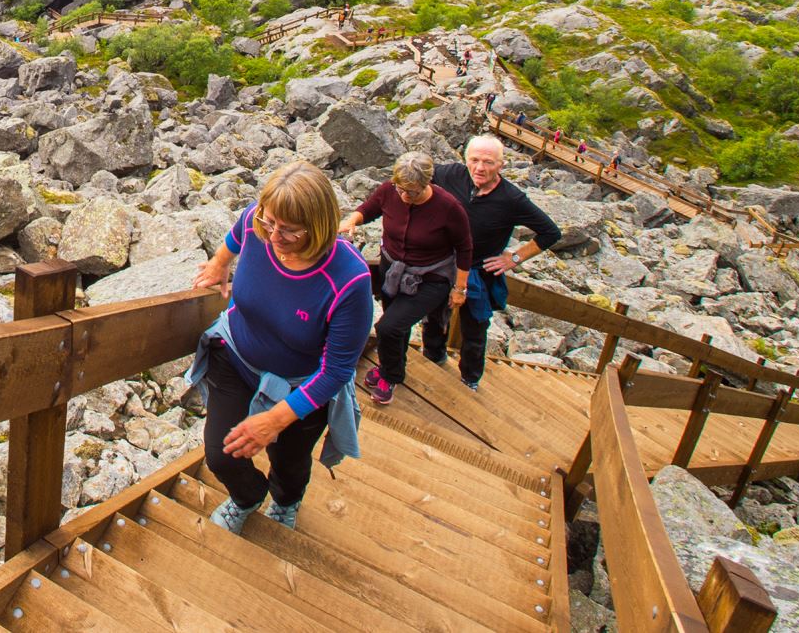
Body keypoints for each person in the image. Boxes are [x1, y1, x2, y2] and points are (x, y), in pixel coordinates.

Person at [189, 161, 372, 534]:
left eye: (289, 230)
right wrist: (219, 263)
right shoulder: (256, 223)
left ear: (319, 226)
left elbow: (336, 370)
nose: (273, 235)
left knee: (289, 461)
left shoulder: (349, 280)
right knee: (221, 454)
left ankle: (286, 501)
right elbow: (239, 230)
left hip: (300, 384)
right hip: (237, 357)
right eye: (269, 222)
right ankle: (247, 497)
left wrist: (275, 420)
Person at [423, 134, 565, 391]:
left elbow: (550, 232)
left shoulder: (511, 199)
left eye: (488, 162)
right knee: (434, 317)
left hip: (479, 272)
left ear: (501, 165)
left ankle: (470, 379)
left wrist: (514, 258)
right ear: (466, 159)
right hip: (444, 264)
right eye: (474, 160)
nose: (480, 168)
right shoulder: (451, 174)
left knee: (475, 328)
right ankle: (433, 359)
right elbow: (419, 179)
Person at [338, 153, 471, 406]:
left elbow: (464, 248)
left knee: (388, 327)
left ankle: (391, 376)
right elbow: (370, 209)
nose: (405, 196)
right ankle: (392, 365)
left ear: (427, 183)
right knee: (396, 326)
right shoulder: (390, 190)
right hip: (393, 271)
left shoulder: (448, 207)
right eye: (401, 189)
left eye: (412, 192)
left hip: (431, 277)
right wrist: (352, 220)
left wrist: (460, 289)